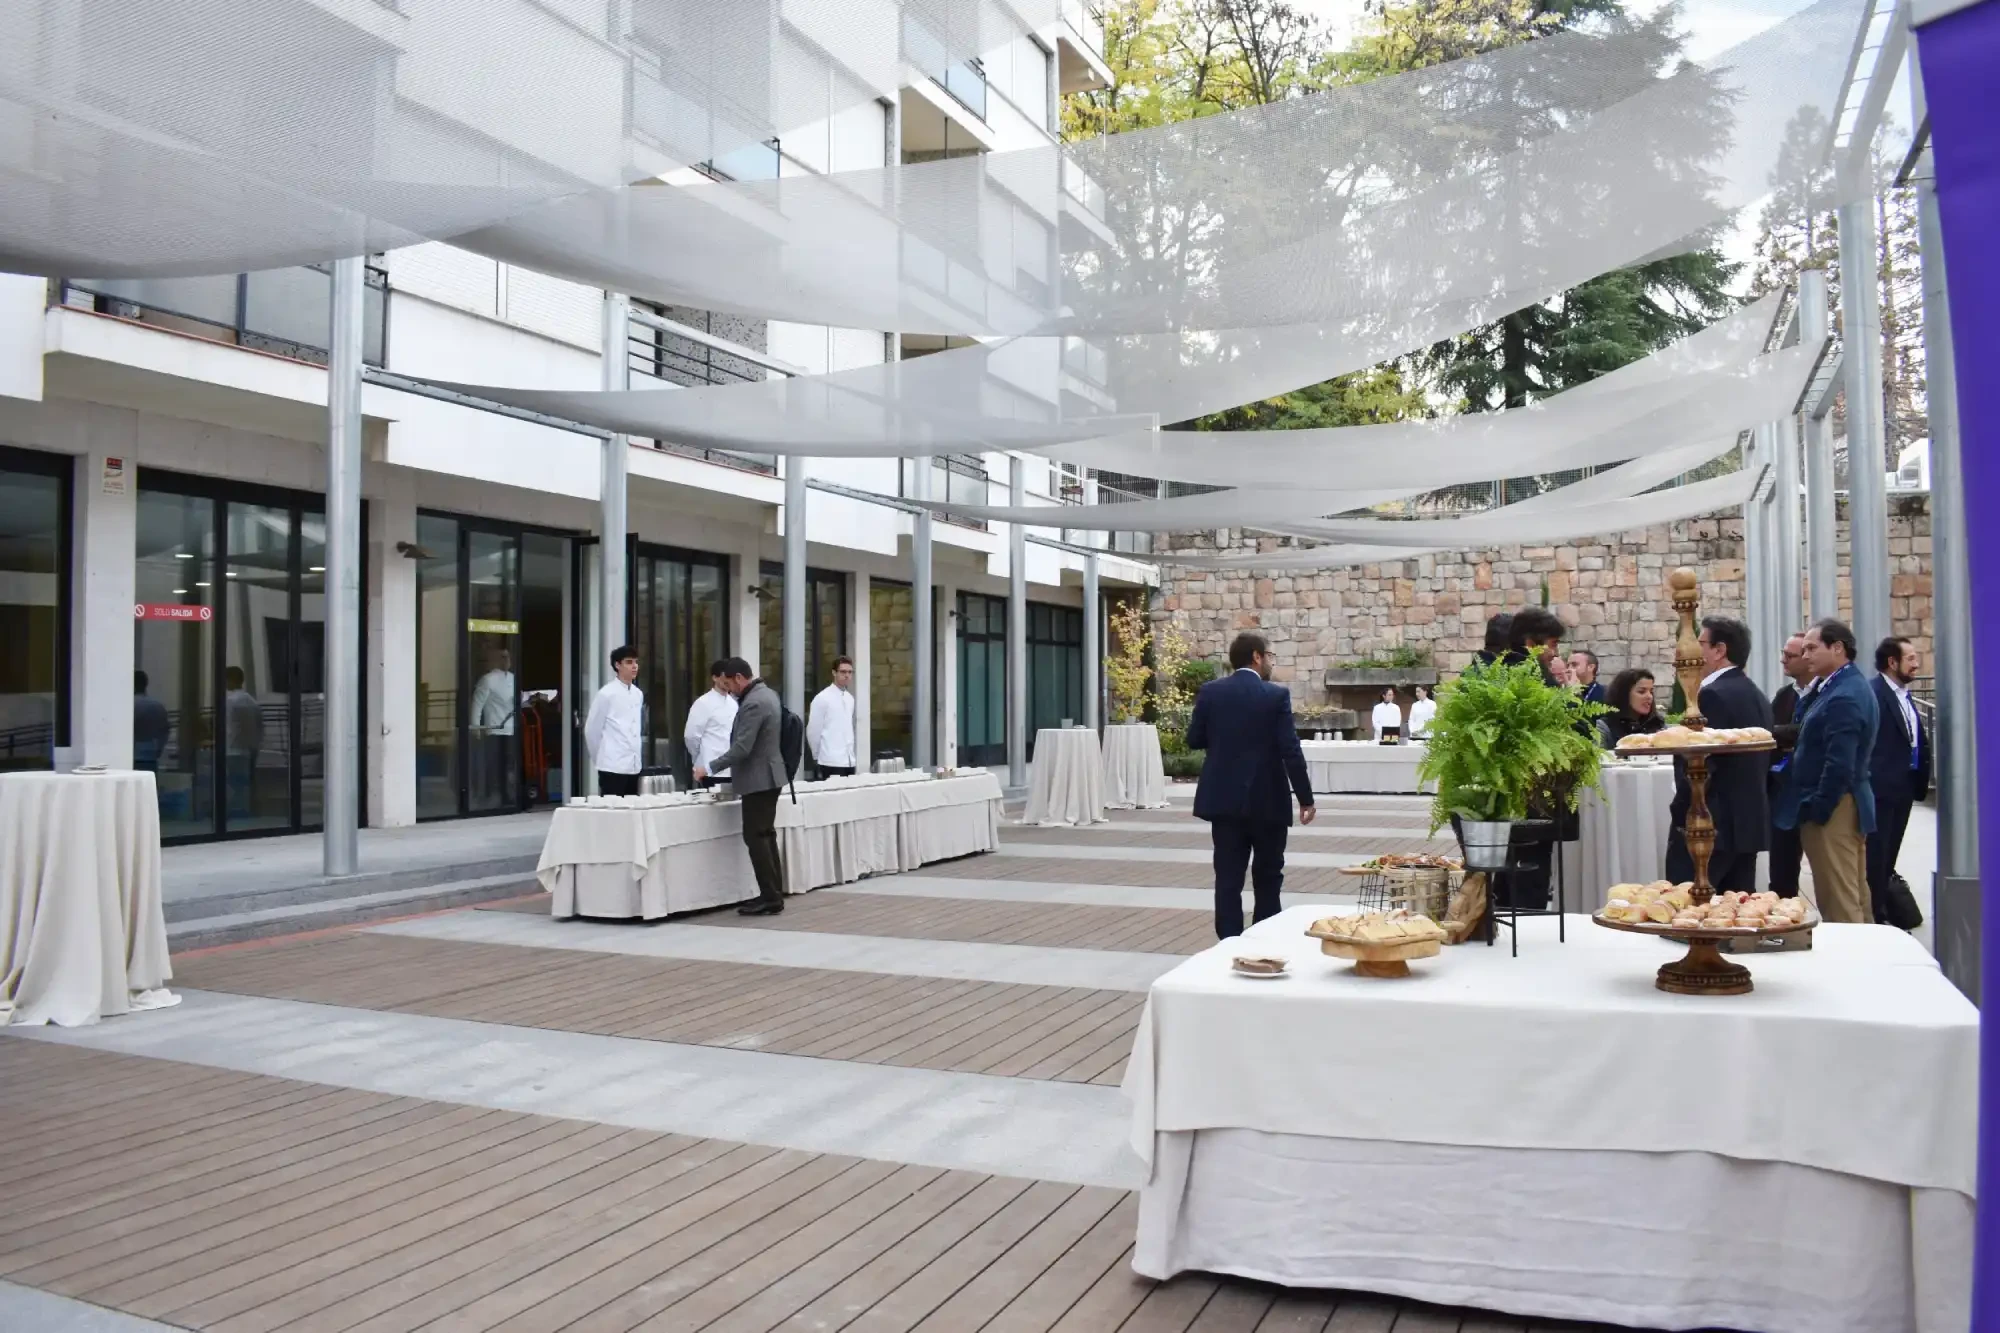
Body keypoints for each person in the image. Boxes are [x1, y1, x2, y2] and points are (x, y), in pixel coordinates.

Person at [1186, 632, 1316, 939]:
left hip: (1224, 801)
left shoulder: (1211, 692)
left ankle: (1229, 943)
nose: (1271, 662)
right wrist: (1305, 798)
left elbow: (1194, 739)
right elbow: (1290, 750)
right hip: (1268, 800)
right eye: (1270, 656)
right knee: (1268, 877)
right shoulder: (1275, 696)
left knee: (1227, 879)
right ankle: (1264, 940)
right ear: (1256, 656)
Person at [1774, 619, 1878, 923]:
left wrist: (1819, 808)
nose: (1805, 655)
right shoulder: (1839, 685)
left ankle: (1850, 954)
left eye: (1811, 648)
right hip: (1840, 802)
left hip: (1835, 808)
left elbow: (1839, 763)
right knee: (1853, 894)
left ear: (1837, 648)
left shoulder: (1844, 694)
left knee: (1839, 901)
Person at [1665, 617, 1774, 892]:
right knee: (1734, 907)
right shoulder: (1755, 694)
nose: (1691, 651)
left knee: (1691, 903)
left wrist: (1681, 811)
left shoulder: (1712, 695)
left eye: (1699, 643)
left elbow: (1701, 763)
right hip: (1746, 824)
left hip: (1711, 825)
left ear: (1719, 650)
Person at [695, 658, 790, 916]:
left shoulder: (753, 703)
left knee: (756, 837)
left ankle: (770, 897)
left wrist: (709, 767)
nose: (729, 690)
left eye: (729, 684)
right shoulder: (768, 694)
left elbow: (742, 748)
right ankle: (774, 894)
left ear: (739, 678)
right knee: (766, 835)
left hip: (758, 779)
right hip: (770, 776)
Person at [1866, 636, 1931, 923]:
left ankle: (1882, 911)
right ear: (1892, 663)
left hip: (1904, 786)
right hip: (1881, 790)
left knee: (1889, 855)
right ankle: (1876, 915)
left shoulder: (1904, 694)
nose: (1917, 664)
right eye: (1911, 658)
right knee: (1876, 857)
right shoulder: (1874, 693)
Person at [1767, 632, 1817, 898]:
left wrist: (1783, 733)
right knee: (1782, 868)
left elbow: (1810, 733)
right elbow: (1769, 732)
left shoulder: (1823, 693)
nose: (1783, 660)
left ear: (1807, 658)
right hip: (1782, 789)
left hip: (1812, 790)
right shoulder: (1784, 695)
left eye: (1790, 655)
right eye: (1782, 654)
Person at [584, 646, 645, 797]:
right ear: (617, 665)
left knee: (633, 807)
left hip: (634, 765)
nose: (634, 666)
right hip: (612, 766)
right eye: (629, 662)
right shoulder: (606, 694)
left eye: (636, 662)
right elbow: (592, 730)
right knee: (612, 808)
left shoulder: (638, 694)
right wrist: (601, 758)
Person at [469, 646, 517, 806]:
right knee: (494, 765)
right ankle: (491, 795)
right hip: (495, 729)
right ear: (496, 660)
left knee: (509, 765)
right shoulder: (488, 679)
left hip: (512, 728)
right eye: (503, 657)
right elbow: (477, 704)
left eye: (508, 657)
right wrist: (475, 726)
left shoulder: (513, 678)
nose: (507, 660)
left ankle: (507, 795)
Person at [683, 659, 738, 788]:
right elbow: (691, 736)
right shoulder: (703, 703)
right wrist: (699, 757)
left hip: (732, 769)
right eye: (725, 675)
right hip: (709, 769)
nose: (728, 679)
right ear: (715, 677)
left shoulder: (734, 704)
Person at [806, 655, 859, 778]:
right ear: (834, 673)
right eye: (843, 672)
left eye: (850, 672)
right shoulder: (822, 698)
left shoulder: (850, 699)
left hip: (849, 760)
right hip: (829, 760)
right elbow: (813, 730)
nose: (847, 675)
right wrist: (817, 756)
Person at [223, 665, 262, 818]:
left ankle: (234, 811)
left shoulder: (230, 701)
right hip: (250, 748)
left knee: (233, 783)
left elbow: (228, 727)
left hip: (233, 748)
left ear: (231, 680)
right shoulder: (252, 701)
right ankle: (248, 810)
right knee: (247, 783)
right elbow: (259, 726)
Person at [1596, 668, 1665, 749]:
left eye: (1651, 692)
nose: (1649, 696)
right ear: (1624, 694)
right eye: (1641, 692)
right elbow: (1597, 755)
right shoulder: (1605, 726)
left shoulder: (1659, 725)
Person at [1505, 607, 1565, 684]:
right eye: (1553, 644)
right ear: (1531, 645)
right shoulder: (1542, 681)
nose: (1556, 654)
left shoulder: (1497, 675)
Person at [133, 670, 170, 772]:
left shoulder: (129, 705)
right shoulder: (157, 706)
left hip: (132, 756)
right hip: (150, 756)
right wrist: (158, 749)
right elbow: (165, 731)